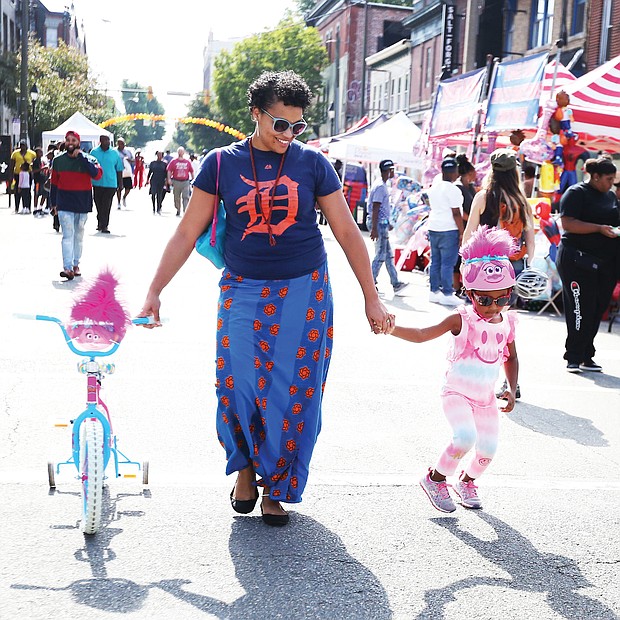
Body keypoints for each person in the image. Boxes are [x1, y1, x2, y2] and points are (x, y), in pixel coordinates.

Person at [138, 70, 390, 526]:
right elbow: (186, 230)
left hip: (305, 289)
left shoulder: (313, 164)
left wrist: (371, 297)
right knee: (236, 386)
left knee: (293, 392)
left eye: (298, 127)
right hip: (243, 289)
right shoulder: (220, 163)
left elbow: (347, 230)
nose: (289, 135)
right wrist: (154, 291)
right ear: (255, 114)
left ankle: (278, 487)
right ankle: (247, 470)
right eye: (280, 124)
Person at [387, 226, 519, 512]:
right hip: (457, 393)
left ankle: (467, 481)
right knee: (465, 438)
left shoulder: (507, 322)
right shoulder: (461, 320)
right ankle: (435, 479)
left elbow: (511, 357)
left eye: (501, 299)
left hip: (486, 400)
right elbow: (422, 333)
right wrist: (391, 328)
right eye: (484, 299)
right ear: (470, 293)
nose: (492, 306)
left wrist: (511, 389)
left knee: (487, 451)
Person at [556, 157, 620, 373]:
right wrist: (599, 228)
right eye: (608, 179)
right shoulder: (576, 193)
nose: (611, 183)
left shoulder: (610, 196)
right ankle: (573, 355)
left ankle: (586, 353)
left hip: (605, 263)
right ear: (595, 176)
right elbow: (568, 224)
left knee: (597, 309)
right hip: (577, 260)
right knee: (579, 308)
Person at [463, 148, 535, 277]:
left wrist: (465, 262)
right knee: (508, 297)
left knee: (482, 297)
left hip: (484, 263)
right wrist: (528, 264)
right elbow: (530, 241)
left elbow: (469, 234)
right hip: (514, 263)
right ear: (515, 173)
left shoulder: (483, 197)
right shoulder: (522, 202)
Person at [50, 130, 103, 280]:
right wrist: (53, 203)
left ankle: (75, 264)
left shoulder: (89, 159)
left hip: (82, 202)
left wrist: (81, 157)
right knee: (67, 235)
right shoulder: (58, 161)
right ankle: (67, 268)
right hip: (64, 203)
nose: (70, 143)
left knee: (78, 235)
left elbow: (97, 175)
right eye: (68, 140)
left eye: (73, 140)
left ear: (78, 143)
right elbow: (54, 183)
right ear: (65, 142)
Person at [366, 159, 408, 295]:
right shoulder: (380, 187)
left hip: (381, 223)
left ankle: (396, 283)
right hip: (378, 224)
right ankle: (371, 283)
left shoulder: (382, 185)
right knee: (380, 255)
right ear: (388, 171)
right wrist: (374, 228)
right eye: (392, 170)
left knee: (388, 255)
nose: (393, 173)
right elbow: (376, 207)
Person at [426, 157, 464, 306]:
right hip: (449, 229)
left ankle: (433, 291)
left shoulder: (433, 187)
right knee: (448, 263)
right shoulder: (454, 190)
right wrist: (462, 232)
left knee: (435, 261)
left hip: (434, 226)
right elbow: (456, 213)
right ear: (455, 172)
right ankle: (447, 292)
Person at [91, 134, 123, 233]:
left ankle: (105, 225)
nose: (107, 142)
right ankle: (100, 221)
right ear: (100, 141)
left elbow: (119, 169)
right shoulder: (94, 152)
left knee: (106, 204)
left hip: (110, 183)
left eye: (108, 140)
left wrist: (120, 183)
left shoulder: (114, 153)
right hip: (97, 183)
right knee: (98, 203)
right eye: (105, 141)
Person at [166, 146, 194, 217]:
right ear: (177, 152)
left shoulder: (187, 162)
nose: (180, 153)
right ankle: (178, 209)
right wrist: (169, 179)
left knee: (186, 197)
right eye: (179, 152)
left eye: (182, 152)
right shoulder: (174, 161)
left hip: (185, 182)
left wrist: (193, 179)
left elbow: (191, 171)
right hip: (176, 181)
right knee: (176, 197)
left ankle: (185, 211)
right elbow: (169, 170)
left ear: (184, 153)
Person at [9, 140, 36, 213]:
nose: (22, 147)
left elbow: (35, 162)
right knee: (17, 190)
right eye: (21, 145)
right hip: (18, 174)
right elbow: (12, 164)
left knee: (27, 191)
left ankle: (27, 207)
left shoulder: (32, 153)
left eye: (23, 145)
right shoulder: (15, 153)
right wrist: (11, 175)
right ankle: (17, 207)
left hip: (27, 174)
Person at [115, 137, 134, 208]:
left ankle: (124, 197)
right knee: (119, 188)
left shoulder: (128, 152)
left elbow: (133, 160)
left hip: (127, 172)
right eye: (119, 143)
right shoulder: (115, 151)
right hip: (118, 171)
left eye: (122, 143)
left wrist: (129, 160)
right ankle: (119, 202)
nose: (121, 145)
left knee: (128, 188)